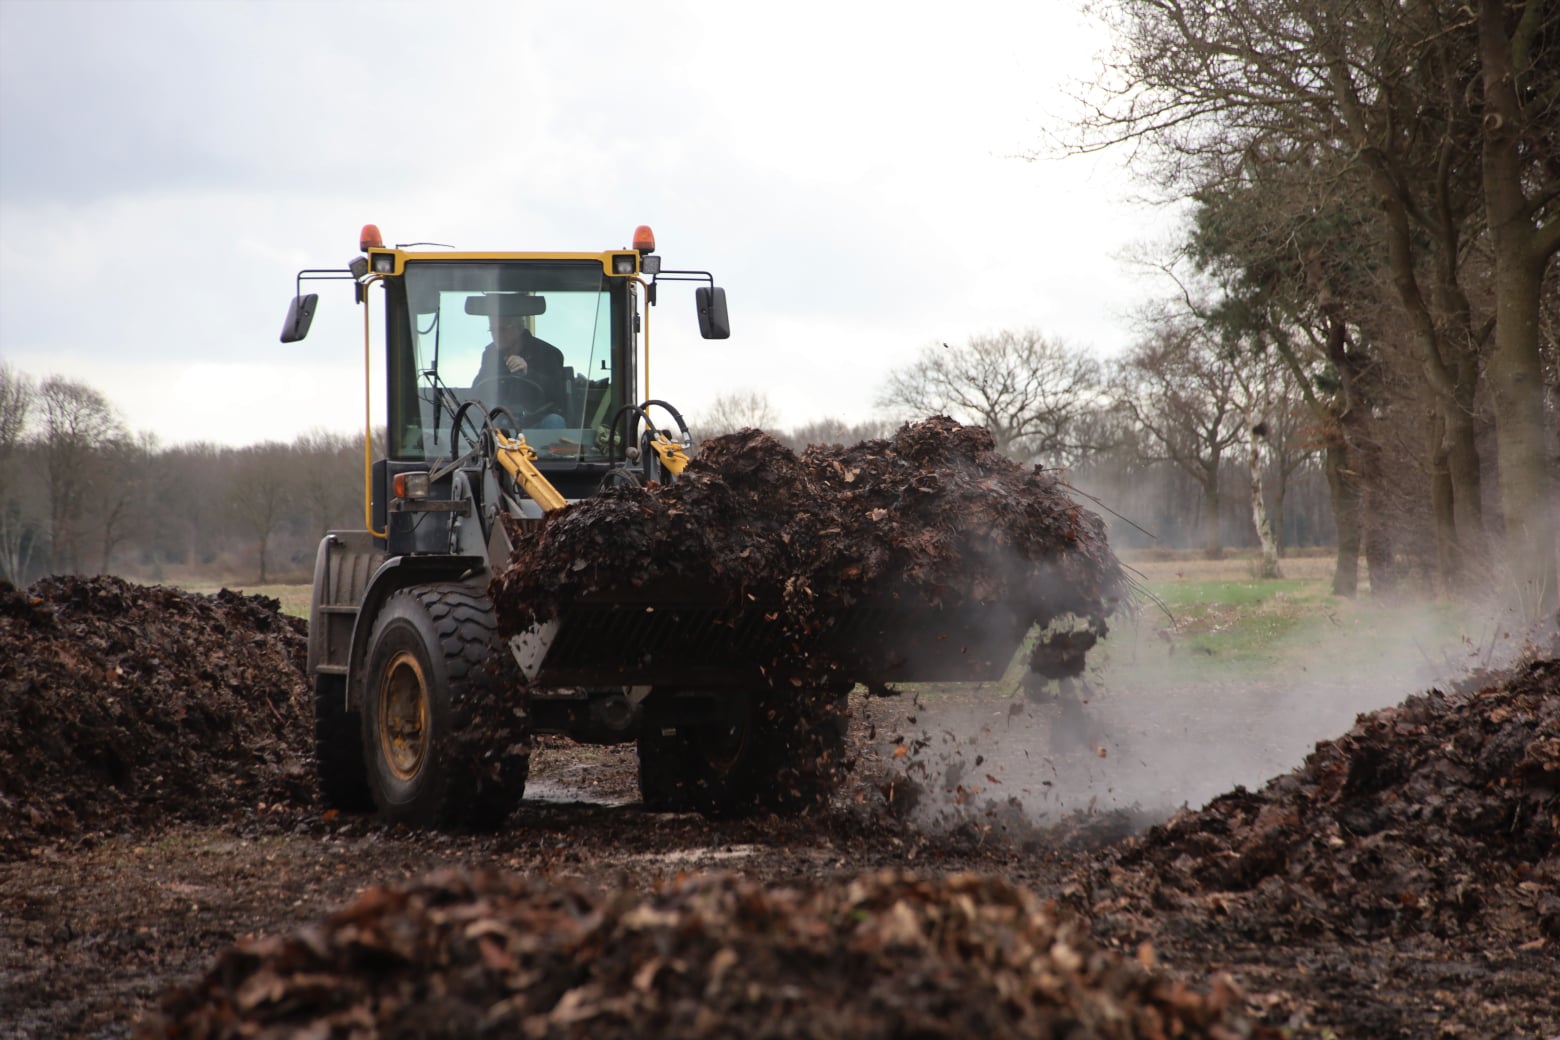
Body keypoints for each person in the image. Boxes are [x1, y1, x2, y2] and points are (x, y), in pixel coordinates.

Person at [473, 307, 568, 428]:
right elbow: (478, 387)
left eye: (502, 329)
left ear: (520, 328)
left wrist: (528, 372)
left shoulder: (548, 353)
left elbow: (558, 395)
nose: (496, 335)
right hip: (499, 424)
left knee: (555, 421)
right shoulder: (490, 353)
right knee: (466, 428)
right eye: (492, 330)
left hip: (536, 424)